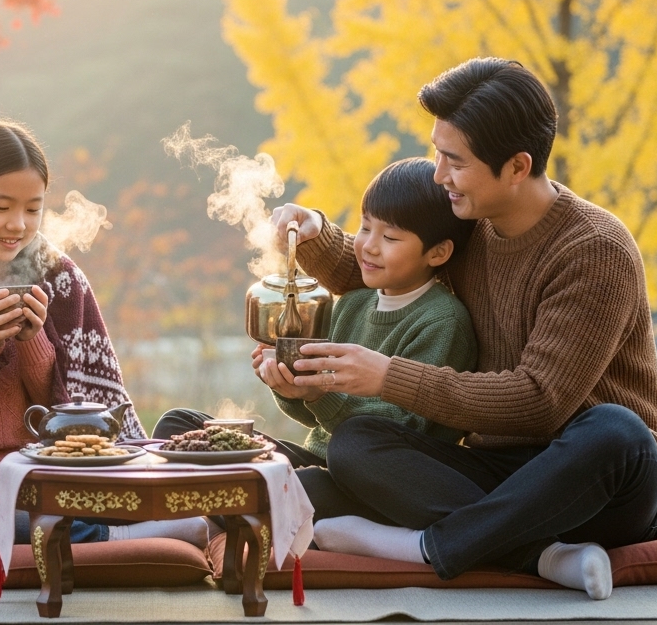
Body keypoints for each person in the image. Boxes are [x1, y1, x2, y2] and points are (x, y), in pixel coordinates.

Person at [274, 58, 657, 600]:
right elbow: (394, 268)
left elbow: (541, 401)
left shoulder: (594, 251)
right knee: (355, 442)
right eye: (438, 154)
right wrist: (315, 236)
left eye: (454, 161)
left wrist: (388, 377)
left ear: (517, 167)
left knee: (616, 431)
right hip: (499, 475)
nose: (439, 175)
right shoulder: (474, 226)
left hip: (599, 484)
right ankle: (537, 555)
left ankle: (428, 546)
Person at [0, 120, 211, 549]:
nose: (17, 225)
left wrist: (33, 342)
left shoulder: (60, 279)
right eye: (1, 206)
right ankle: (110, 536)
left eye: (33, 209)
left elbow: (77, 420)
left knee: (106, 488)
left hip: (46, 464)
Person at [153, 158, 478, 521]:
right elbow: (314, 415)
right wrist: (289, 382)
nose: (368, 246)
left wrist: (320, 395)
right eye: (365, 227)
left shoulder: (442, 322)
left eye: (389, 237)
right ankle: (238, 507)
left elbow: (402, 428)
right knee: (178, 426)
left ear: (438, 252)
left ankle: (226, 508)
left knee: (305, 486)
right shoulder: (353, 303)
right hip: (317, 461)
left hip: (370, 480)